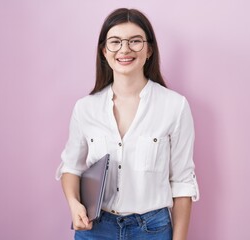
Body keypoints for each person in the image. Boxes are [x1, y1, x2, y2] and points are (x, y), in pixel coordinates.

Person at [56, 8, 199, 240]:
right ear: (104, 51)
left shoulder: (175, 106)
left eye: (135, 41)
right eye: (115, 42)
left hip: (152, 230)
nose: (124, 49)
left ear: (149, 50)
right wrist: (74, 204)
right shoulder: (85, 108)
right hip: (96, 229)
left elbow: (182, 182)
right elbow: (71, 167)